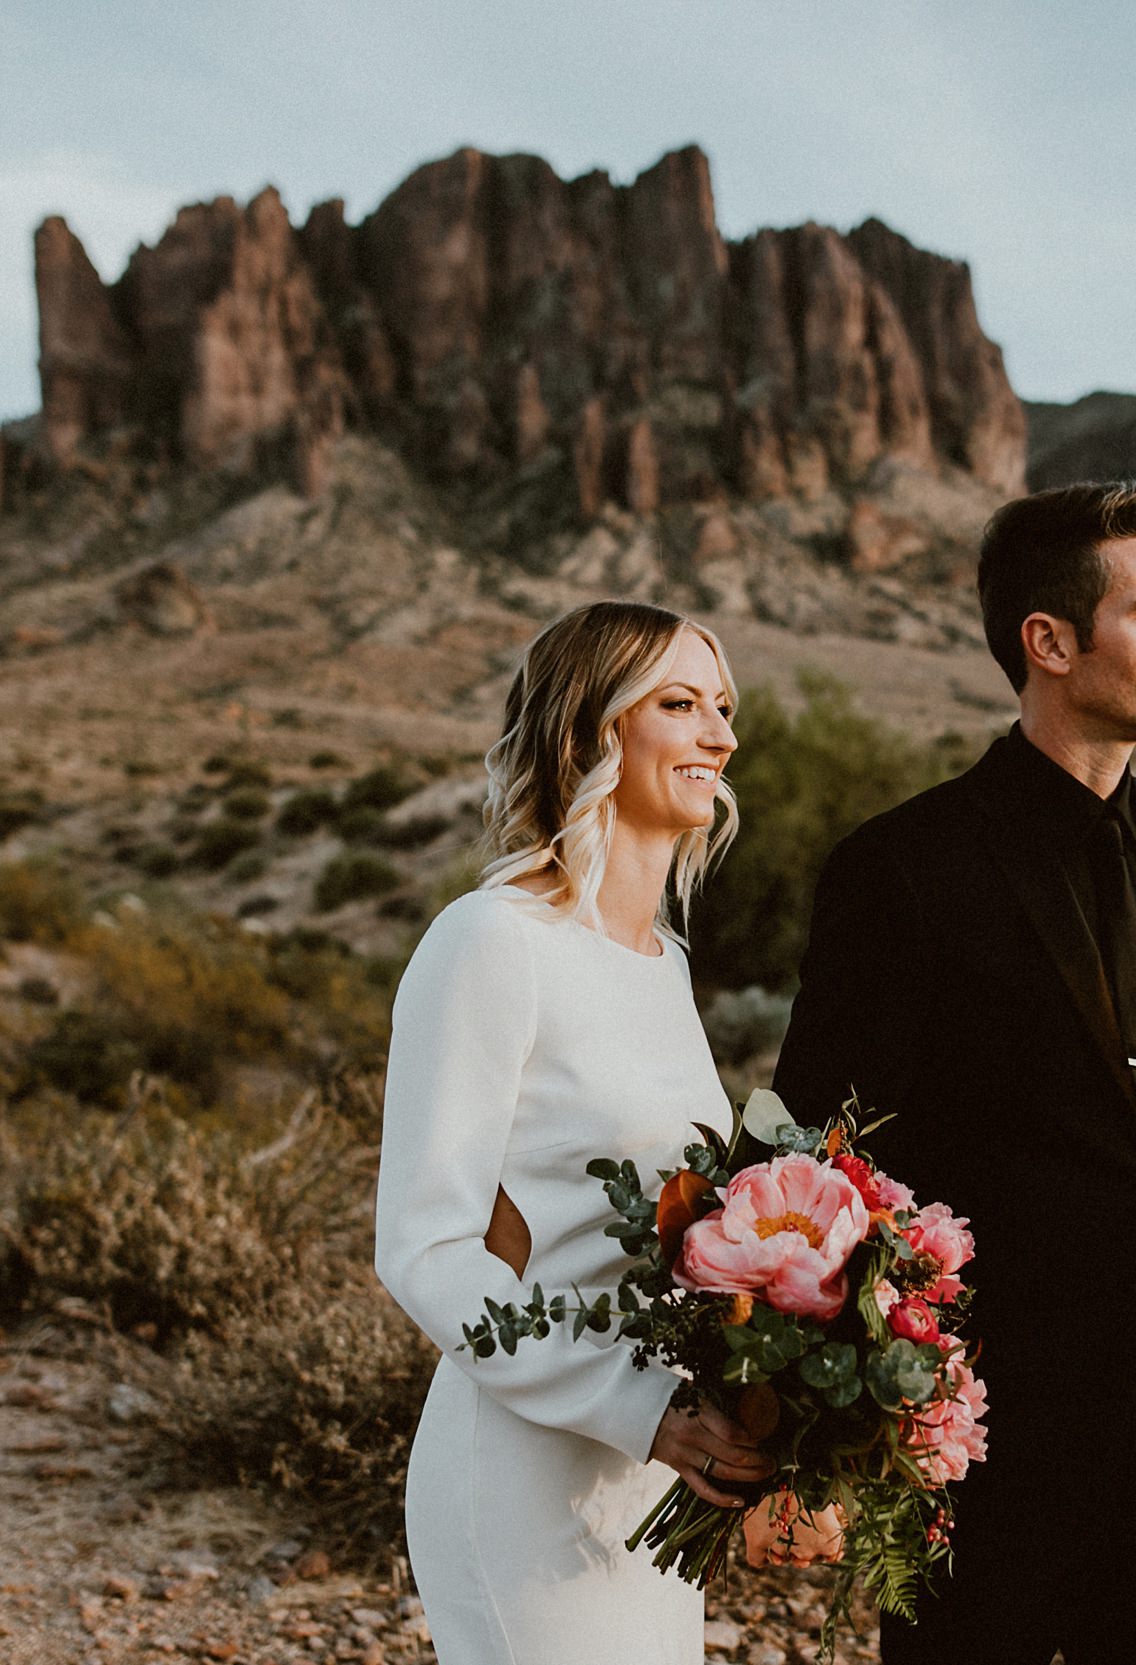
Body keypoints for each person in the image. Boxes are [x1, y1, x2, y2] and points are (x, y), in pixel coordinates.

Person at [773, 480, 1136, 1664]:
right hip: (980, 1447)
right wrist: (840, 1420)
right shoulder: (902, 867)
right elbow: (821, 1166)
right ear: (1051, 642)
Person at [374, 600, 788, 1665]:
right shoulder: (490, 942)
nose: (720, 737)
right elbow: (425, 1246)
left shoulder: (665, 964)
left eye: (724, 708)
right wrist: (641, 1408)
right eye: (680, 704)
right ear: (588, 732)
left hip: (648, 1476)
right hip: (525, 1472)